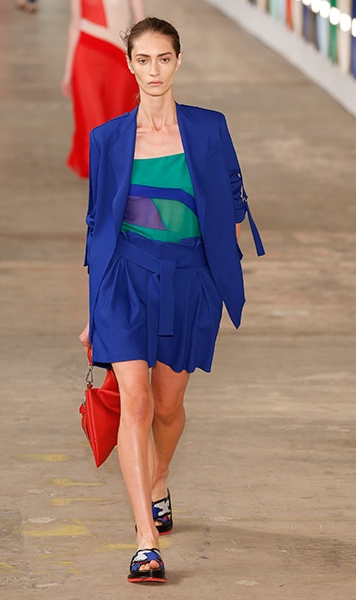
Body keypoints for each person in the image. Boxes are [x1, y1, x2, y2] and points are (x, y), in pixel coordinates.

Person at [79, 17, 265, 583]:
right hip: (125, 279)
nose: (154, 70)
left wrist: (214, 273)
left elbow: (232, 207)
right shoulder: (108, 139)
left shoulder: (209, 128)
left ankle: (158, 478)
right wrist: (92, 313)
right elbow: (98, 228)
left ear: (178, 61)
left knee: (165, 407)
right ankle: (146, 541)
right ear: (129, 65)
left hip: (188, 278)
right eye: (144, 59)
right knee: (135, 404)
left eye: (164, 58)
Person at [61, 0, 146, 178]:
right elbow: (75, 23)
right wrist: (68, 71)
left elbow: (141, 22)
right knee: (93, 117)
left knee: (118, 115)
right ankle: (99, 170)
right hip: (86, 54)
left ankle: (113, 169)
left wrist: (143, 61)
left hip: (119, 57)